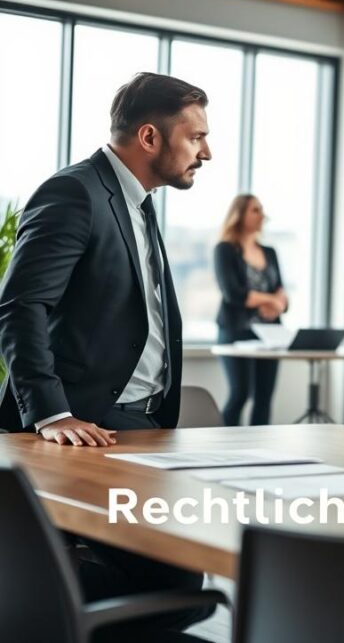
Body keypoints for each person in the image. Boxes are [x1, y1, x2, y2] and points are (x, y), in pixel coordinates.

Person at [0, 73, 215, 639]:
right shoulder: (75, 192)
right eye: (196, 137)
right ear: (150, 137)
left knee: (181, 583)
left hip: (139, 429)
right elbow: (22, 305)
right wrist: (51, 413)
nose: (207, 152)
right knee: (172, 587)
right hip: (83, 427)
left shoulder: (138, 202)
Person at [213, 194, 288, 426]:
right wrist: (271, 300)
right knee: (240, 394)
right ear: (239, 215)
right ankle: (225, 443)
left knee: (264, 398)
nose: (262, 215)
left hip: (269, 335)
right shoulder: (225, 249)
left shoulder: (270, 252)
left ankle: (260, 445)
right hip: (235, 331)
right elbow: (233, 293)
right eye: (255, 210)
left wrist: (277, 305)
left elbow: (281, 294)